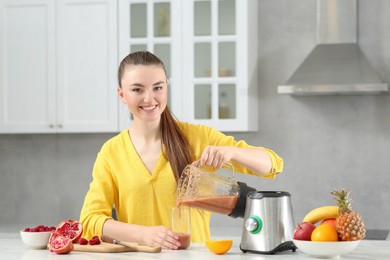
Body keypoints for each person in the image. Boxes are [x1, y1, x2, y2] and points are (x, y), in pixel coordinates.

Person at [79, 51, 283, 250]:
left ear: (166, 87)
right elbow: (90, 220)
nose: (149, 98)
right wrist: (144, 234)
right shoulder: (111, 152)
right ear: (122, 95)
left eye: (157, 87)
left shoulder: (198, 138)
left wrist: (232, 152)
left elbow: (273, 165)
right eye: (137, 90)